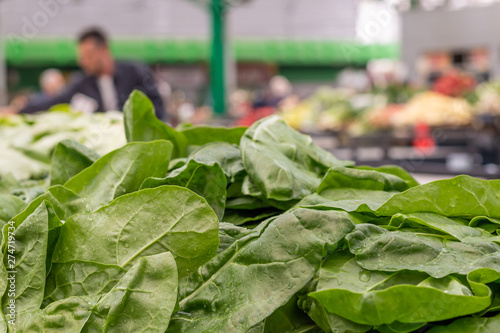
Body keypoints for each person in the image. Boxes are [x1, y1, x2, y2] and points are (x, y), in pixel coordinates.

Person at [7, 28, 166, 119]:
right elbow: (54, 101)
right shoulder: (83, 83)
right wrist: (18, 110)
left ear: (103, 50)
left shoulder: (135, 71)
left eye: (87, 55)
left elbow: (157, 105)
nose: (82, 61)